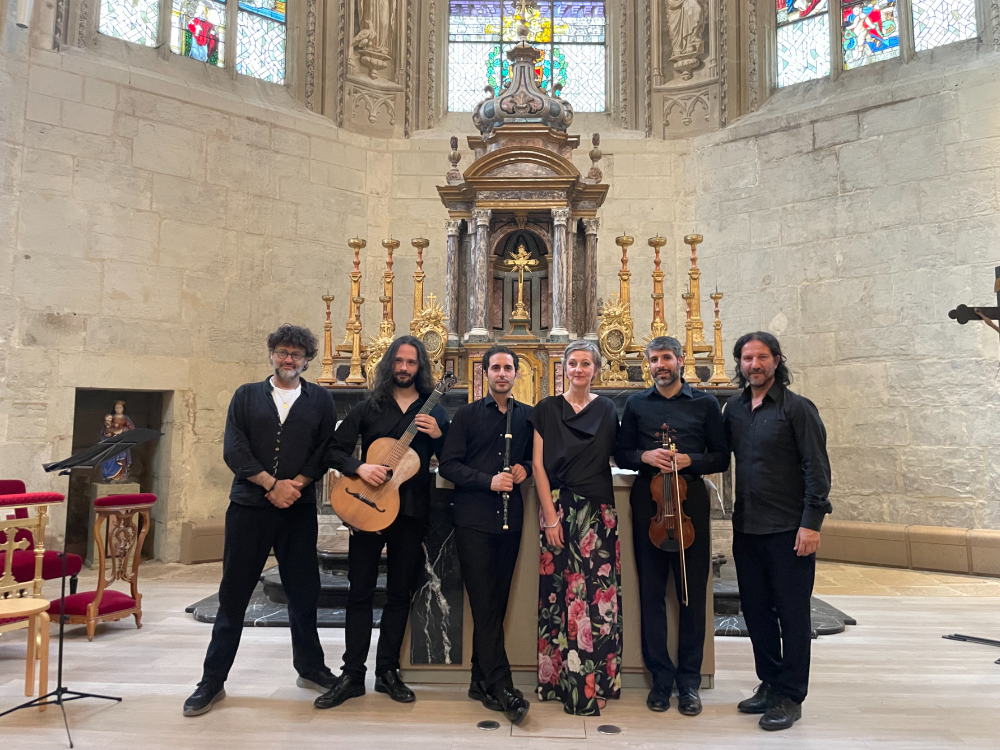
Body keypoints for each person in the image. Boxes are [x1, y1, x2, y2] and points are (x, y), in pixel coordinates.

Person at [184, 325, 338, 717]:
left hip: (297, 511)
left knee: (303, 593)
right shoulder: (246, 395)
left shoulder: (320, 399)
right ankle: (212, 680)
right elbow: (234, 449)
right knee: (233, 594)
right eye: (283, 353)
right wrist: (272, 484)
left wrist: (297, 485)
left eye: (297, 355)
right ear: (271, 354)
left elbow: (325, 450)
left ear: (307, 360)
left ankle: (311, 667)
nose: (289, 360)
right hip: (250, 508)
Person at [317, 336, 449, 709]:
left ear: (420, 367)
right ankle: (352, 674)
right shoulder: (368, 406)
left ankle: (387, 671)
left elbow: (453, 457)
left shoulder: (434, 410)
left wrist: (440, 436)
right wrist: (359, 467)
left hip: (410, 512)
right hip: (366, 509)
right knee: (358, 593)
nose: (405, 368)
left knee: (398, 595)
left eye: (411, 362)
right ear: (390, 363)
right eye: (399, 361)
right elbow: (333, 448)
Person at [615, 336, 729, 716]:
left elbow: (721, 457)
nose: (660, 364)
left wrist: (688, 461)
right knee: (651, 595)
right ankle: (661, 680)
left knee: (691, 596)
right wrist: (643, 455)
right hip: (649, 506)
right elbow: (621, 452)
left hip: (688, 505)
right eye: (654, 359)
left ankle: (689, 683)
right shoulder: (636, 404)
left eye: (666, 358)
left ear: (681, 360)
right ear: (648, 364)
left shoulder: (705, 404)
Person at [723, 332, 831, 731]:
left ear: (777, 360)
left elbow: (816, 469)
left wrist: (811, 524)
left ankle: (790, 695)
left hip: (789, 529)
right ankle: (769, 682)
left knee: (793, 614)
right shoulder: (733, 409)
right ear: (740, 364)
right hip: (748, 528)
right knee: (756, 611)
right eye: (747, 358)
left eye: (762, 357)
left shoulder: (798, 409)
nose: (754, 365)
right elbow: (717, 454)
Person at [438, 345, 533, 724]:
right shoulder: (466, 416)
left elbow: (533, 459)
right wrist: (487, 481)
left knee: (496, 602)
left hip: (511, 524)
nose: (502, 373)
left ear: (516, 374)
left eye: (508, 368)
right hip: (474, 522)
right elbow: (448, 466)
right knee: (484, 604)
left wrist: (524, 467)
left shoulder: (527, 418)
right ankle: (503, 686)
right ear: (484, 374)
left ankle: (480, 682)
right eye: (495, 367)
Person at [531, 340, 621, 716]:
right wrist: (549, 515)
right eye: (573, 363)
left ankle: (596, 682)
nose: (579, 369)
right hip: (559, 511)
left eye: (586, 363)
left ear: (595, 369)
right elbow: (537, 465)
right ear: (563, 368)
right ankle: (558, 683)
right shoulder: (546, 409)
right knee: (559, 599)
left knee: (598, 603)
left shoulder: (608, 409)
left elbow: (621, 455)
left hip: (599, 514)